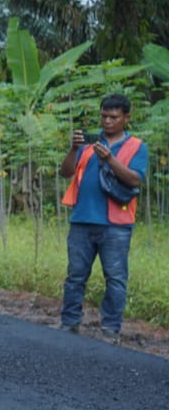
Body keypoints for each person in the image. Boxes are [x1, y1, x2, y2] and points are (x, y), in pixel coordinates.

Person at [58, 93, 148, 341]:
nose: (107, 121)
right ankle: (69, 323)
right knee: (75, 275)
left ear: (126, 118)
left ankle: (110, 329)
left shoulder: (137, 147)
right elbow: (66, 172)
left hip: (116, 225)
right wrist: (74, 148)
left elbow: (135, 179)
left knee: (116, 278)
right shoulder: (88, 144)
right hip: (82, 220)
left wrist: (110, 159)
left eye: (114, 117)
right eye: (104, 116)